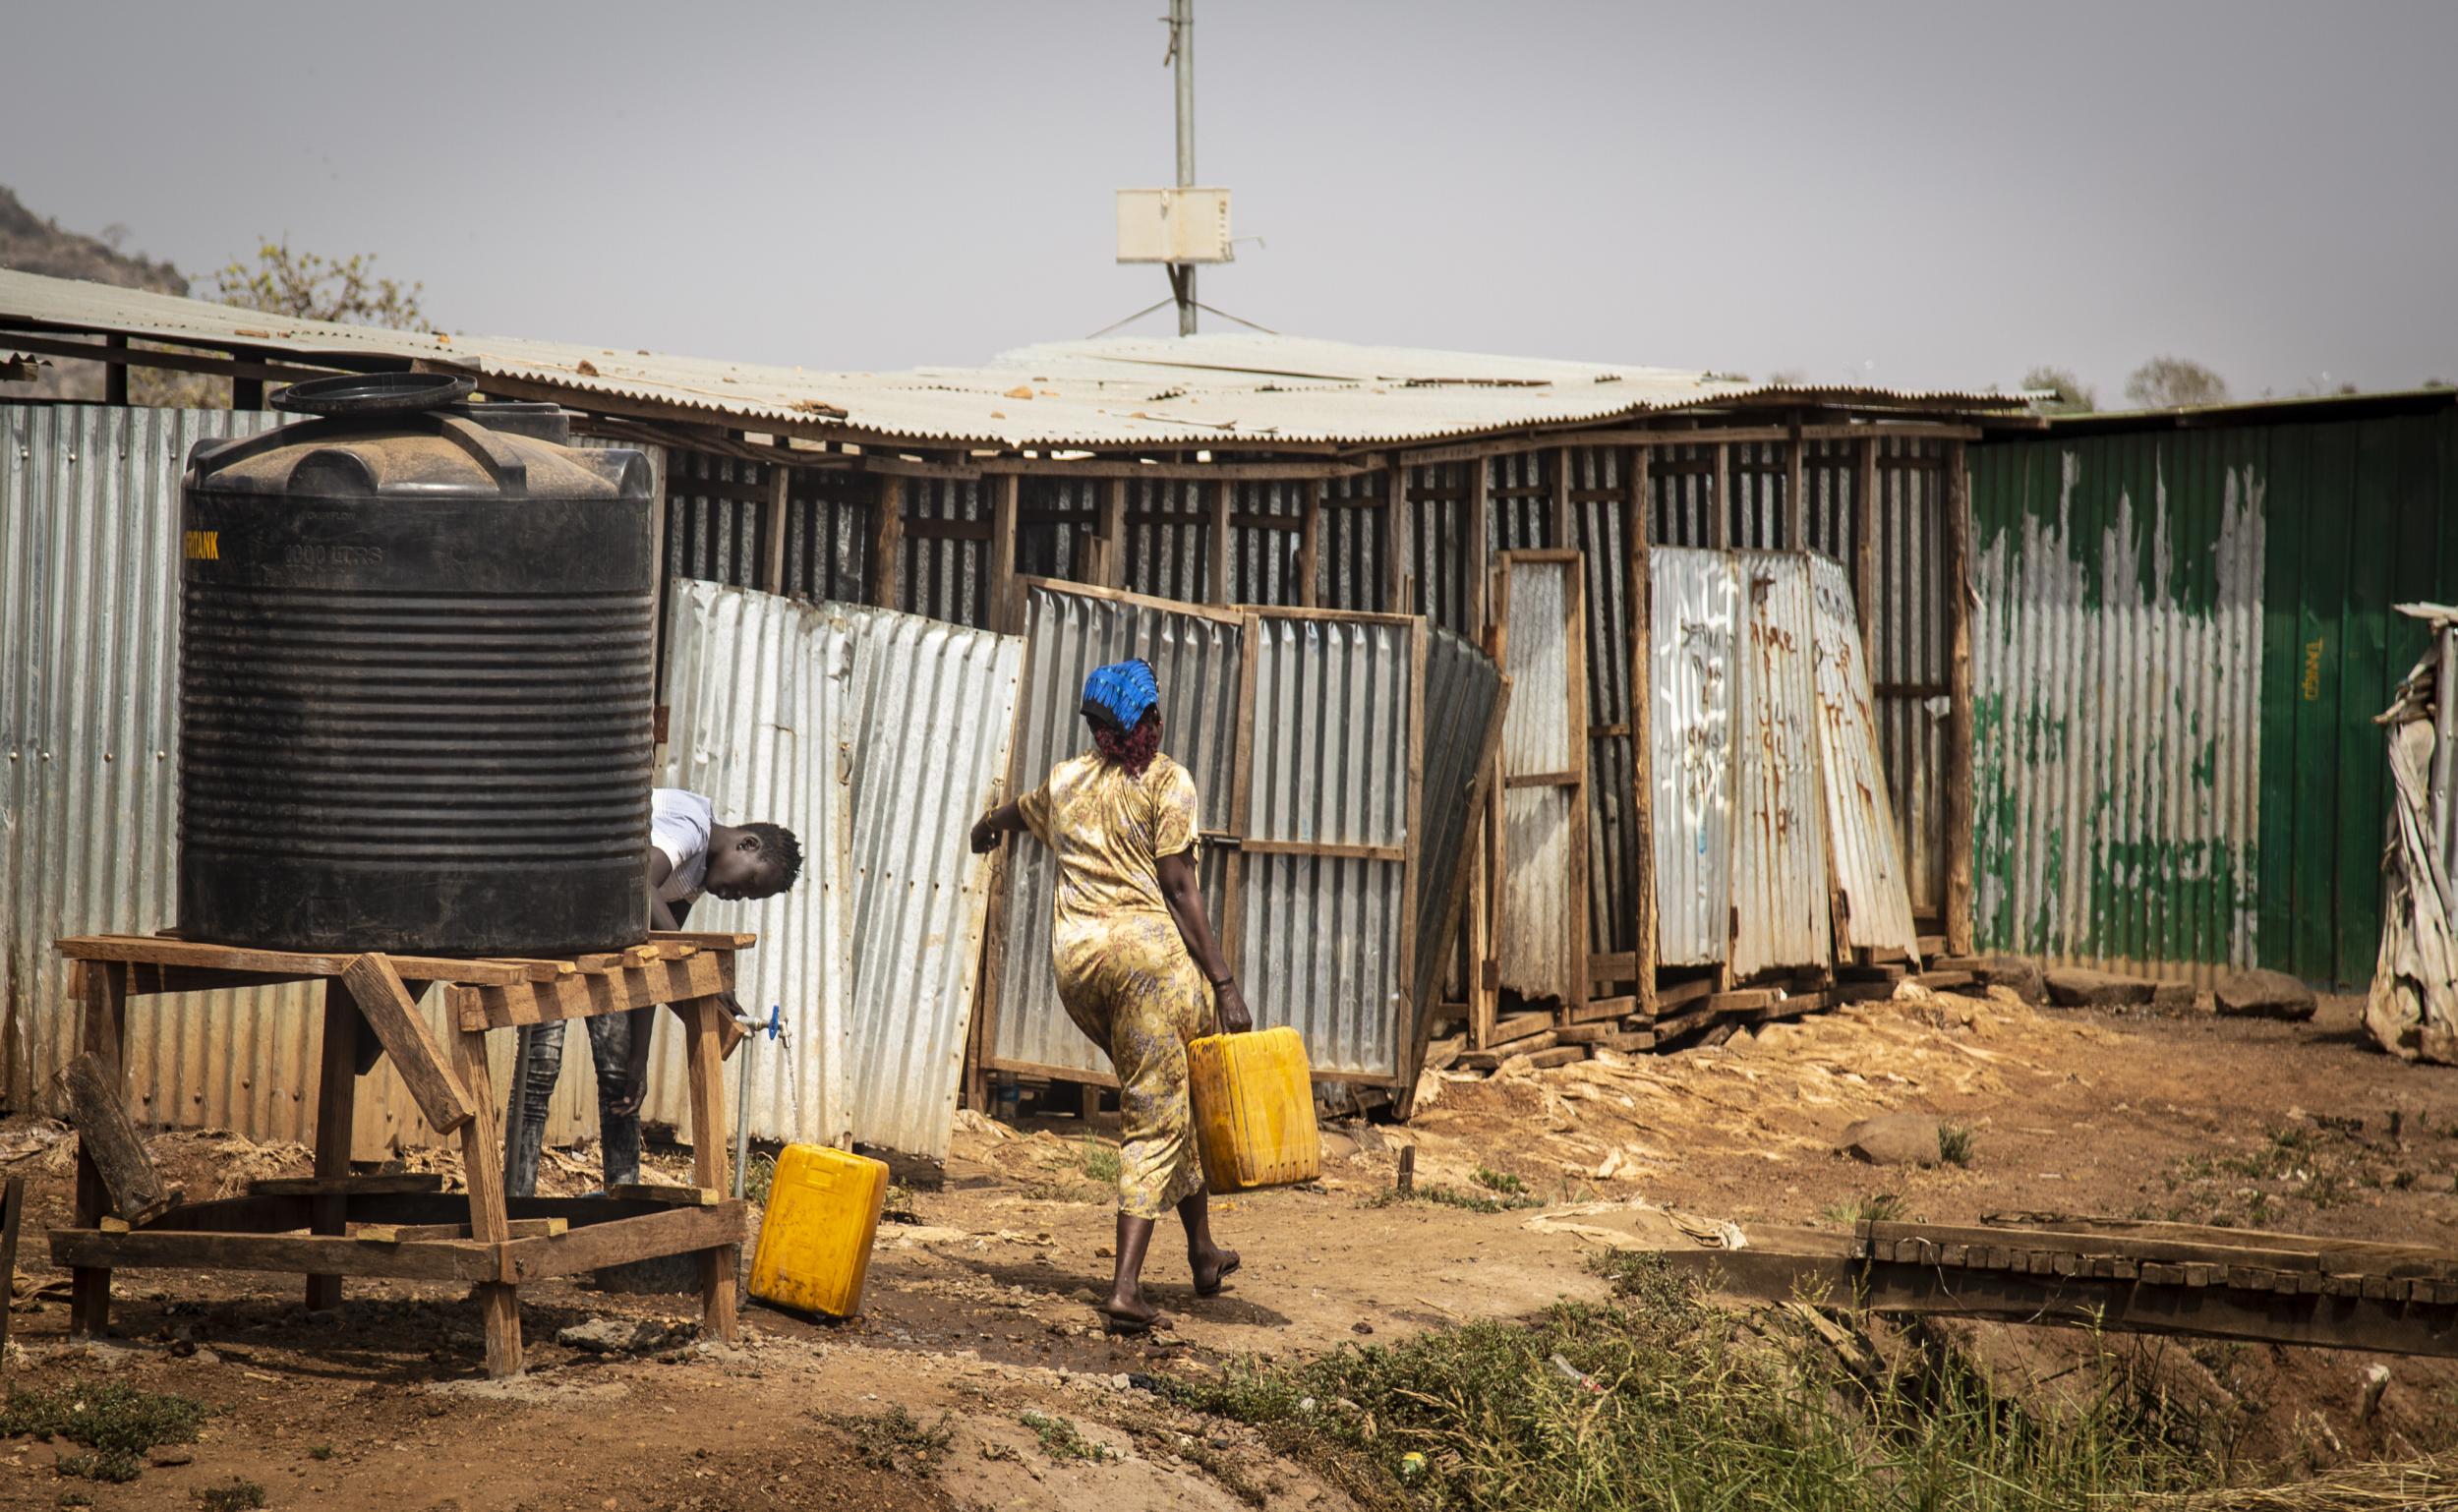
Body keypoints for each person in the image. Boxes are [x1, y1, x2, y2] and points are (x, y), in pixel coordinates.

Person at [970, 659, 1254, 1334]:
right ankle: (1125, 1290)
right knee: (1155, 1117)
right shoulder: (1167, 782)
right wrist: (1224, 983)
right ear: (1149, 720)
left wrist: (987, 826)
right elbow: (1180, 887)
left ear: (1096, 726)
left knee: (1166, 1092)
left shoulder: (1066, 781)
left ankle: (1203, 1252)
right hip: (1150, 971)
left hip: (1078, 972)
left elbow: (1013, 812)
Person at [504, 787, 802, 1196]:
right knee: (538, 1070)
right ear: (747, 844)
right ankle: (515, 1205)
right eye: (749, 881)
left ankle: (622, 1206)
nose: (737, 896)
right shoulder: (690, 823)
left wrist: (639, 1056)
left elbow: (657, 952)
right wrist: (701, 966)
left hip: (598, 946)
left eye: (748, 896)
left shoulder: (694, 877)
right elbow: (640, 881)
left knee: (620, 1078)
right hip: (551, 924)